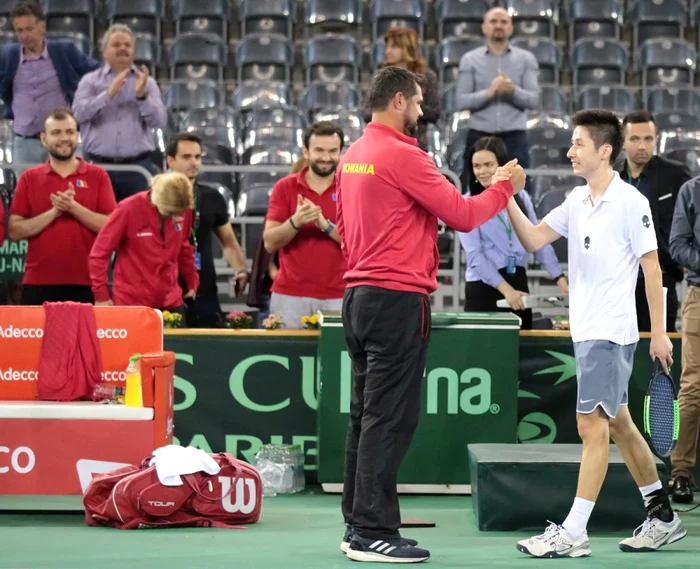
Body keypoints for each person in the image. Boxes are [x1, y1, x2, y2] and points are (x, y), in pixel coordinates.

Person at [336, 66, 524, 563]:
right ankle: (372, 531)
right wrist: (504, 186)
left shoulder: (353, 155)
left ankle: (357, 524)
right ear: (398, 101)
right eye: (418, 103)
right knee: (389, 419)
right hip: (396, 300)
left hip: (357, 297)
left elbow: (343, 225)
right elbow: (463, 215)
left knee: (365, 417)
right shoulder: (404, 154)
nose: (421, 111)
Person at [506, 110, 684, 558]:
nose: (569, 151)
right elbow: (532, 240)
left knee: (591, 427)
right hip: (585, 331)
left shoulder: (630, 202)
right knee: (620, 424)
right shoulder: (575, 201)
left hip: (610, 331)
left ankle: (574, 531)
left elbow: (652, 269)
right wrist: (508, 197)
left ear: (604, 151)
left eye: (578, 144)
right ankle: (662, 515)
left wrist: (659, 333)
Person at [7, 108, 115, 305]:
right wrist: (54, 212)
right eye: (56, 133)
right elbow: (15, 231)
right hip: (38, 283)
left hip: (89, 283)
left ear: (78, 136)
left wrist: (73, 208)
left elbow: (110, 226)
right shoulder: (29, 178)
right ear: (43, 139)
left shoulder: (98, 176)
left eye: (69, 132)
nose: (64, 138)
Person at [459, 136, 568, 328]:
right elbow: (475, 257)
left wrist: (560, 278)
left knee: (521, 350)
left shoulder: (520, 196)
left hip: (518, 279)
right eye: (477, 166)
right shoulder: (467, 202)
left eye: (488, 164)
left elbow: (538, 239)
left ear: (501, 165)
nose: (483, 171)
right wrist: (507, 291)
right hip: (485, 286)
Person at [263, 122, 347, 329]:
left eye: (332, 151)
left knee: (340, 360)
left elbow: (359, 245)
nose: (326, 157)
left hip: (340, 295)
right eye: (319, 150)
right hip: (289, 296)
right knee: (286, 359)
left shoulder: (351, 187)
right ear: (306, 152)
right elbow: (270, 243)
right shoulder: (285, 187)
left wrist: (325, 226)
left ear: (341, 152)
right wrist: (296, 221)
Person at [73, 24, 168, 202]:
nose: (122, 48)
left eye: (127, 45)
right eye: (116, 45)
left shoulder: (147, 83)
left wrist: (141, 98)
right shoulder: (90, 81)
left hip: (137, 168)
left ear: (133, 51)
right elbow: (78, 114)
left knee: (138, 225)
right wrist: (108, 94)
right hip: (98, 166)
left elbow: (160, 121)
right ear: (104, 51)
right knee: (98, 225)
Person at [616, 111, 691, 332]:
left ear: (656, 140)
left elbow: (692, 217)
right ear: (622, 142)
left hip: (661, 277)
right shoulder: (611, 177)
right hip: (619, 280)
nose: (642, 146)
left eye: (648, 139)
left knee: (660, 353)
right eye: (635, 139)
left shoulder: (675, 175)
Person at [89, 172, 199, 321]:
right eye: (170, 212)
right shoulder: (128, 209)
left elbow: (184, 246)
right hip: (131, 303)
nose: (175, 216)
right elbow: (99, 254)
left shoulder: (182, 208)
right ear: (156, 199)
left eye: (179, 212)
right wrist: (101, 296)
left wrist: (192, 280)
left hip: (171, 300)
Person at [0, 2, 98, 167]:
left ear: (42, 27)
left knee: (70, 191)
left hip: (63, 141)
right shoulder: (8, 55)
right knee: (28, 193)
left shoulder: (64, 50)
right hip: (25, 143)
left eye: (29, 29)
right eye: (19, 30)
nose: (24, 36)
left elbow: (96, 74)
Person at [166, 133, 248, 328]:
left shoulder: (212, 197)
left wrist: (241, 270)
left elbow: (228, 241)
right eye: (186, 157)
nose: (194, 162)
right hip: (166, 288)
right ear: (170, 161)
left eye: (197, 157)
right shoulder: (156, 198)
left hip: (205, 290)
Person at [455, 6, 540, 190]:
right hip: (479, 135)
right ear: (484, 27)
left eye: (503, 22)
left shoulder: (526, 59)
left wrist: (513, 91)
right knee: (474, 190)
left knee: (519, 193)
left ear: (510, 28)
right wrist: (489, 93)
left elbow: (534, 100)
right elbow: (461, 101)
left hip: (514, 138)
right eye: (493, 21)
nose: (498, 26)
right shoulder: (470, 59)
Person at [668, 174, 700, 504]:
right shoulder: (691, 190)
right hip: (699, 297)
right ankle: (681, 473)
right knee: (692, 385)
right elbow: (677, 244)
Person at [364, 27, 440, 152]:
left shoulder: (426, 77)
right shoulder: (380, 77)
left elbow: (434, 113)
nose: (388, 51)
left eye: (394, 47)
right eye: (387, 47)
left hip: (416, 143)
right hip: (383, 144)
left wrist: (408, 105)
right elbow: (367, 110)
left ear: (408, 49)